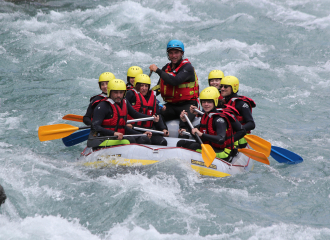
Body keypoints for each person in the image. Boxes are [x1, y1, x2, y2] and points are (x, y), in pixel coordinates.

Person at [177, 87, 246, 161]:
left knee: (193, 146)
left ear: (215, 102)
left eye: (209, 102)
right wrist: (185, 122)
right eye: (204, 102)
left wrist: (202, 135)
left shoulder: (219, 120)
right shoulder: (206, 116)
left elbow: (221, 139)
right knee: (181, 143)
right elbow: (197, 135)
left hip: (223, 152)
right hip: (211, 147)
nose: (206, 104)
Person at [88, 79, 160, 148]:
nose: (119, 95)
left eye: (121, 92)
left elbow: (134, 115)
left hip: (119, 137)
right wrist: (114, 133)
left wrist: (150, 120)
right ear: (110, 92)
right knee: (130, 140)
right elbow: (95, 127)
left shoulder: (124, 102)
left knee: (145, 139)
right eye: (116, 92)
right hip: (104, 139)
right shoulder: (103, 106)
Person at [149, 40, 199, 137]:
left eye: (176, 53)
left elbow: (175, 81)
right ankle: (163, 133)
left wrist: (158, 70)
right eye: (171, 53)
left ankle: (184, 138)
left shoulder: (187, 67)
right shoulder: (166, 68)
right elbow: (159, 87)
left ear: (182, 53)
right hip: (171, 106)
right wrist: (146, 94)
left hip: (188, 105)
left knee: (183, 125)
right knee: (157, 115)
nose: (173, 56)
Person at [126, 74, 169, 146]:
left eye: (146, 86)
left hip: (148, 129)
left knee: (162, 142)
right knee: (145, 140)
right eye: (141, 86)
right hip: (134, 129)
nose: (144, 88)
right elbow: (124, 111)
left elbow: (157, 115)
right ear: (137, 86)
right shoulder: (131, 94)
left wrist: (163, 129)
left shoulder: (152, 97)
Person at [220, 76, 256, 148]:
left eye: (226, 87)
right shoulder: (223, 101)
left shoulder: (241, 104)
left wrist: (238, 130)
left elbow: (251, 124)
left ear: (234, 88)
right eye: (221, 86)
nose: (222, 89)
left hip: (239, 139)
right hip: (228, 135)